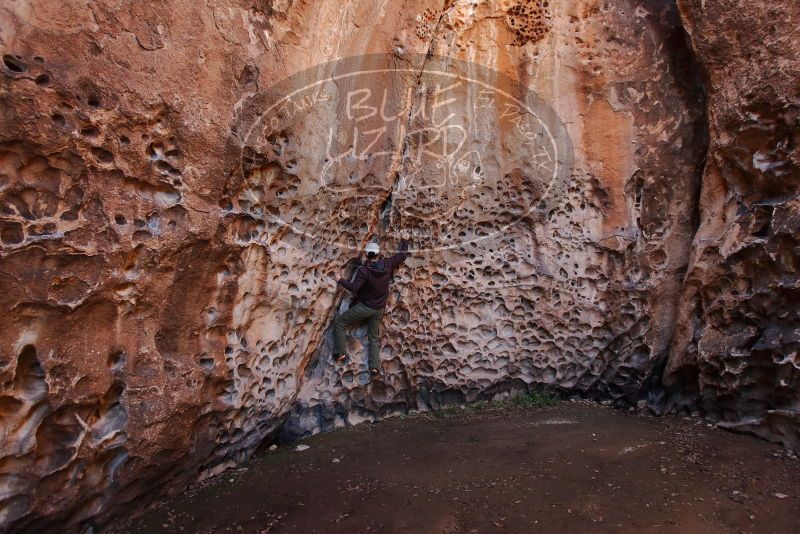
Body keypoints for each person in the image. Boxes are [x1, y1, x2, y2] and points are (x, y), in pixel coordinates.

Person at [332, 233, 410, 376]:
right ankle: (374, 368)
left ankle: (341, 353)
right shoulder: (387, 264)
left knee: (340, 323)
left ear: (366, 255)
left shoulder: (364, 270)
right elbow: (401, 257)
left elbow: (354, 288)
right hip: (379, 309)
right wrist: (404, 240)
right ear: (378, 254)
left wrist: (340, 280)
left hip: (364, 308)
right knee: (374, 337)